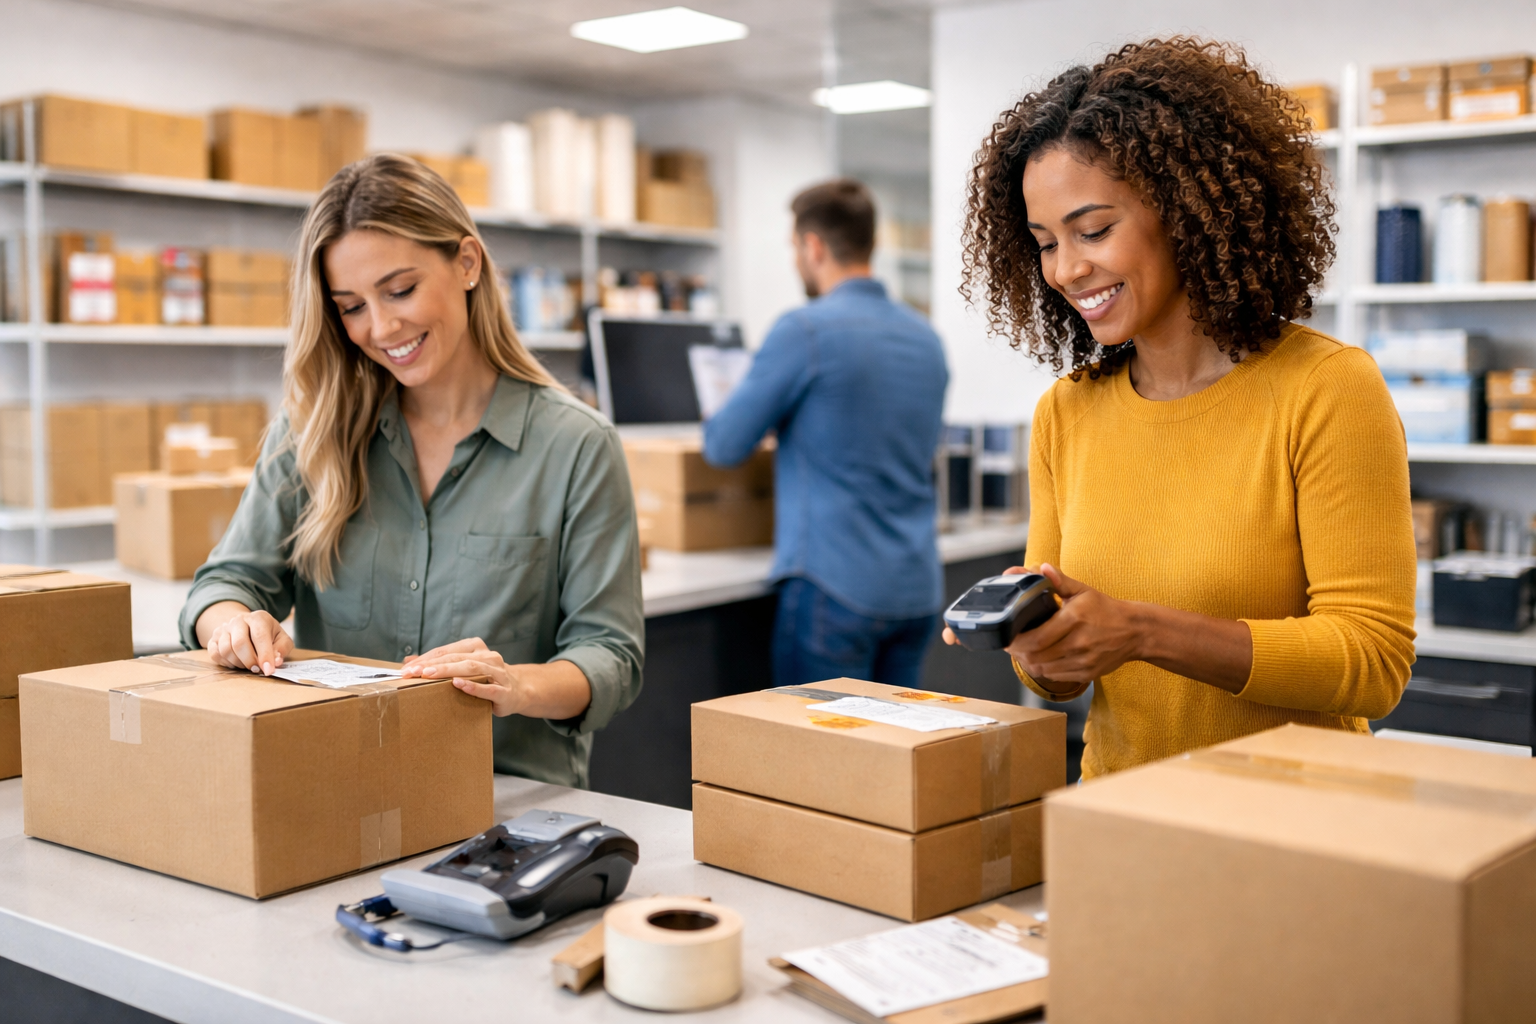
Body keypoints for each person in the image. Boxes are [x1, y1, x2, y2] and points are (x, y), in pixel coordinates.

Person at [952, 37, 1416, 779]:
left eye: (1094, 230)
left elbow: (1372, 663)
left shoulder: (1327, 388)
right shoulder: (1065, 415)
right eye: (1044, 243)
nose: (1067, 269)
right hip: (1125, 823)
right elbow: (1057, 683)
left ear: (1189, 211)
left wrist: (1140, 630)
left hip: (1302, 836)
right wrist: (1043, 645)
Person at [178, 154, 644, 788]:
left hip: (505, 801)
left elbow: (610, 657)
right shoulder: (312, 434)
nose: (382, 326)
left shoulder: (576, 446)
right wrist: (234, 625)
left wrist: (516, 685)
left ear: (468, 264)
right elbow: (226, 583)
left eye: (400, 290)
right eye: (351, 306)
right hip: (343, 787)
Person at [703, 179, 949, 688]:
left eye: (795, 247)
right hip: (915, 591)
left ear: (812, 246)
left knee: (820, 763)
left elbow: (723, 445)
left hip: (834, 590)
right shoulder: (925, 338)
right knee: (893, 759)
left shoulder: (805, 330)